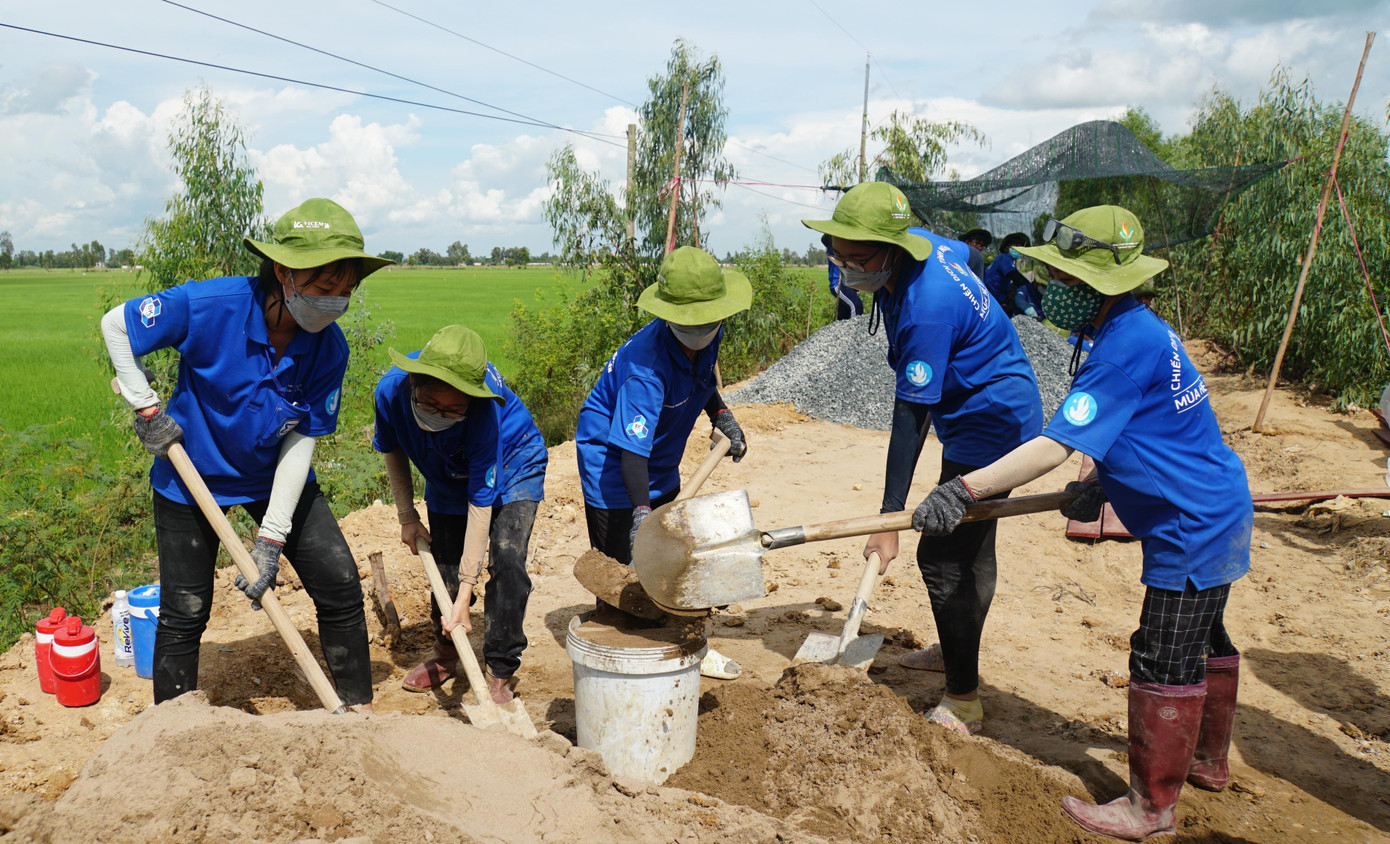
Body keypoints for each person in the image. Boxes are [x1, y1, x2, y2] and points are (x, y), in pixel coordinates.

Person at [912, 206, 1251, 841]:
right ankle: (1207, 762)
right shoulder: (1140, 330)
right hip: (1214, 503)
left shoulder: (1122, 348)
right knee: (1207, 641)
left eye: (1066, 282)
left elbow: (1051, 446)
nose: (1054, 290)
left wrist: (964, 487)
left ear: (1096, 286)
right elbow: (1155, 429)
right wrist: (1101, 484)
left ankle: (1150, 809)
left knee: (1163, 655)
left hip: (1188, 523)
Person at [101, 198, 392, 710]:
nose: (335, 303)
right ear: (285, 272)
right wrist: (145, 406)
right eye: (325, 289)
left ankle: (358, 713)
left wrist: (272, 537)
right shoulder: (209, 306)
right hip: (189, 477)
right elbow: (117, 325)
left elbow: (302, 438)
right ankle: (173, 730)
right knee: (185, 610)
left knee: (340, 584)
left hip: (272, 475)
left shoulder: (330, 348)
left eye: (346, 292)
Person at [802, 183, 1043, 734]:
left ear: (891, 250)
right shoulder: (931, 246)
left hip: (993, 424)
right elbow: (973, 255)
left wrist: (889, 521)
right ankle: (954, 645)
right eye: (834, 253)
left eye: (855, 260)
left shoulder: (926, 311)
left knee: (943, 559)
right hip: (979, 416)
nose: (842, 268)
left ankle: (963, 698)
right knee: (967, 547)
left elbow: (910, 421)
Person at [575, 245, 750, 679]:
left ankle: (676, 642)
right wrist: (639, 512)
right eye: (691, 323)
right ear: (668, 315)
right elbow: (631, 452)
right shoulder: (644, 368)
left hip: (662, 461)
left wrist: (722, 415)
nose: (701, 330)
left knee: (669, 561)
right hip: (616, 473)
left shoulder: (709, 331)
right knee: (625, 583)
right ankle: (620, 663)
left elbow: (703, 377)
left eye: (708, 320)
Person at [374, 325, 547, 704]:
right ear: (414, 384)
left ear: (470, 402)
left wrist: (468, 590)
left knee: (507, 556)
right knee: (446, 566)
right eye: (430, 404)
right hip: (447, 471)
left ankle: (500, 667)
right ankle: (446, 654)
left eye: (453, 410)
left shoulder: (484, 413)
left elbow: (481, 502)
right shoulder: (390, 391)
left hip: (516, 464)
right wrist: (407, 516)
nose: (440, 414)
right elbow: (392, 451)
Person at [983, 232, 1040, 318]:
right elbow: (1016, 277)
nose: (1018, 249)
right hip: (995, 297)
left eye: (1020, 246)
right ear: (1006, 248)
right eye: (1015, 246)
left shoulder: (1005, 260)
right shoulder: (1004, 258)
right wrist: (1032, 289)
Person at [823, 233, 863, 320]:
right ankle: (854, 329)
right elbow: (825, 239)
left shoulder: (845, 249)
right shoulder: (833, 249)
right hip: (838, 284)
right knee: (856, 305)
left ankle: (838, 330)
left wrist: (855, 289)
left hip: (847, 284)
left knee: (844, 312)